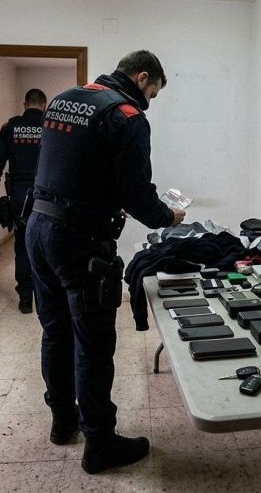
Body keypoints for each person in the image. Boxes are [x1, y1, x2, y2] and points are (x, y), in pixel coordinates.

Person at [25, 50, 186, 474]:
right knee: (94, 344)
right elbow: (137, 195)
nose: (150, 101)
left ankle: (63, 421)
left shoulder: (64, 99)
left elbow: (72, 165)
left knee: (56, 332)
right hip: (79, 241)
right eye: (153, 93)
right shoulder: (128, 117)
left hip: (37, 229)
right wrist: (168, 217)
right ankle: (99, 443)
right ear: (143, 77)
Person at [0, 88, 47, 313]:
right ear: (44, 105)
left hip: (19, 196)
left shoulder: (10, 127)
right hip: (46, 195)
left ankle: (25, 299)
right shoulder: (51, 125)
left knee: (22, 246)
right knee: (46, 245)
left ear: (24, 104)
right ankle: (45, 298)